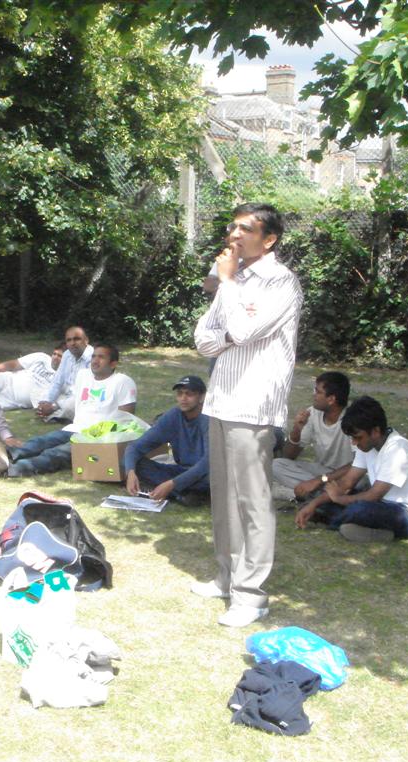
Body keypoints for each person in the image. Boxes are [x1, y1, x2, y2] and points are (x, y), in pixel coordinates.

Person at [191, 202, 302, 628]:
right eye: (231, 227)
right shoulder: (233, 280)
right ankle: (227, 577)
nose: (233, 235)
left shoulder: (281, 282)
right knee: (223, 497)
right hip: (221, 399)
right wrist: (230, 320)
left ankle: (251, 596)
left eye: (245, 229)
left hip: (253, 404)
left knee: (252, 501)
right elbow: (205, 339)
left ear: (268, 239)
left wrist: (227, 289)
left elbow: (245, 330)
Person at [0, 343, 137, 478]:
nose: (95, 360)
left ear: (113, 363)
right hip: (74, 429)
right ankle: (2, 456)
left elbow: (126, 418)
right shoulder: (84, 376)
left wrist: (102, 440)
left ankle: (8, 470)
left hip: (97, 437)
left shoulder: (123, 382)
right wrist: (53, 406)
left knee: (55, 454)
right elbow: (69, 397)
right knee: (40, 442)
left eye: (101, 357)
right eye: (93, 356)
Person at [294, 396, 408, 542]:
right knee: (320, 498)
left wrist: (339, 498)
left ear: (375, 431)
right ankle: (357, 526)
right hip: (382, 506)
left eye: (357, 437)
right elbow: (346, 482)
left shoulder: (398, 450)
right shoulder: (367, 447)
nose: (354, 443)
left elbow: (373, 495)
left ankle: (340, 523)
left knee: (359, 510)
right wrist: (315, 504)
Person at [123, 374, 210, 506]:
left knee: (212, 478)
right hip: (181, 471)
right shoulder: (173, 415)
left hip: (205, 473)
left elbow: (207, 463)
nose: (183, 398)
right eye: (180, 394)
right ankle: (184, 494)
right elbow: (135, 447)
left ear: (202, 397)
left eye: (189, 394)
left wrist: (172, 484)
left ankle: (180, 492)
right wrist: (130, 473)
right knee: (131, 463)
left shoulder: (209, 419)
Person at [272, 371, 355, 503]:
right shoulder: (313, 413)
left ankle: (311, 495)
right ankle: (326, 495)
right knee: (277, 465)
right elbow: (288, 457)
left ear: (331, 399)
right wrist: (296, 430)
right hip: (322, 472)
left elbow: (358, 464)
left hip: (349, 474)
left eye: (318, 392)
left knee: (359, 483)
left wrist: (318, 481)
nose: (314, 395)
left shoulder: (352, 418)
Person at [0, 343, 67, 415]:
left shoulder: (65, 377)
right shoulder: (41, 357)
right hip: (8, 381)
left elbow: (64, 399)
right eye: (54, 354)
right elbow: (12, 364)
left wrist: (51, 407)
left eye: (60, 356)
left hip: (12, 401)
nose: (55, 357)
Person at [35, 326, 92, 422]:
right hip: (66, 395)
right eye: (69, 340)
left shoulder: (93, 357)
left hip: (85, 397)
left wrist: (54, 406)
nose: (72, 343)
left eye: (76, 339)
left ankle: (53, 415)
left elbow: (85, 392)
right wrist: (46, 401)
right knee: (38, 394)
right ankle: (51, 413)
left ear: (86, 340)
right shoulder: (67, 355)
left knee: (71, 406)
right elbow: (57, 382)